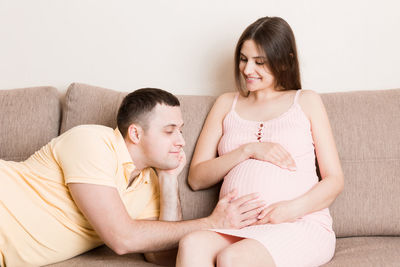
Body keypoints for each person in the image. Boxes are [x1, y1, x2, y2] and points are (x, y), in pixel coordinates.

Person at [0, 88, 266, 267]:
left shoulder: (149, 182)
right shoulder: (93, 142)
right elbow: (121, 238)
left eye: (181, 131)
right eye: (169, 131)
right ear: (136, 134)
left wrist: (169, 180)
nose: (182, 142)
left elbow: (161, 257)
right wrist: (210, 223)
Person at [176, 16, 344, 267]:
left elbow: (335, 180)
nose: (247, 70)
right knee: (191, 244)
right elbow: (196, 178)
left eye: (259, 62)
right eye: (243, 59)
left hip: (297, 223)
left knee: (232, 258)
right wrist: (248, 150)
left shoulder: (306, 101)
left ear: (285, 62)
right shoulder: (225, 104)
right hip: (237, 226)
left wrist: (290, 209)